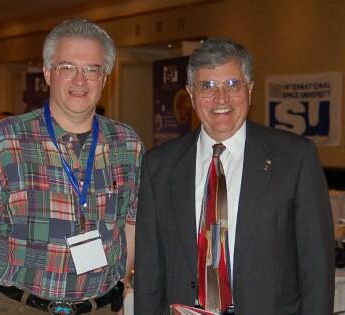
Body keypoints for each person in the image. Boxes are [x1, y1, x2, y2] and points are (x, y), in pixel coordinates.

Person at [0, 18, 144, 315]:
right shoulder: (5, 140)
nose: (80, 80)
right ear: (47, 72)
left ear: (105, 77)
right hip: (21, 308)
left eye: (91, 69)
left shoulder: (127, 144)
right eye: (67, 67)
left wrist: (117, 287)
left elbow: (131, 222)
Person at [134, 37, 335, 315]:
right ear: (191, 94)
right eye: (208, 86)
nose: (221, 99)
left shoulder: (295, 158)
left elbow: (317, 266)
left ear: (249, 90)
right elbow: (148, 272)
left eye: (232, 85)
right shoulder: (159, 166)